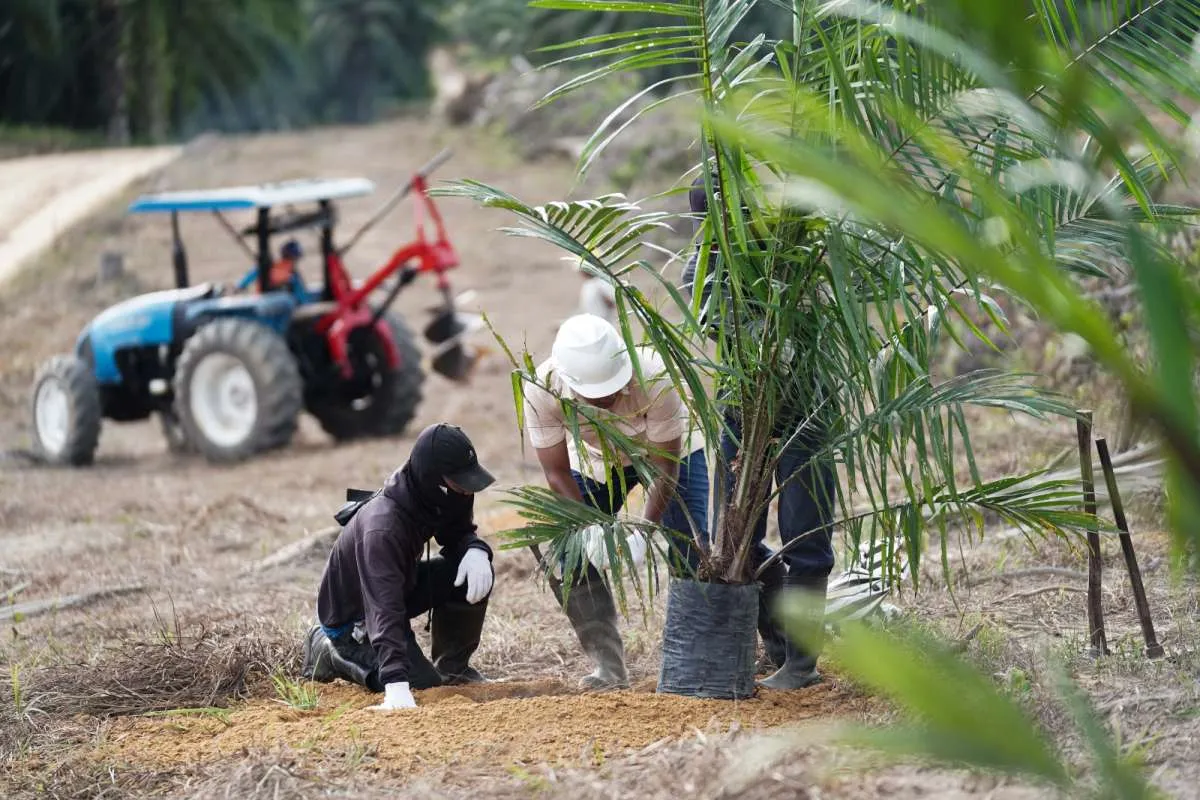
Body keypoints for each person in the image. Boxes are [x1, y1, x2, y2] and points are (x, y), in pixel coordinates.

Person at [682, 170, 837, 690]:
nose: (713, 236)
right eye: (707, 228)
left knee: (806, 539)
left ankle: (802, 665)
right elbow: (713, 320)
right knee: (737, 535)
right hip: (742, 414)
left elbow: (819, 314)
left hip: (803, 412)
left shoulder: (787, 252)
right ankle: (774, 645)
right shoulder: (700, 269)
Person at [523, 313, 708, 690]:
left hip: (670, 454)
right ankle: (608, 665)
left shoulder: (654, 376)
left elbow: (664, 469)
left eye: (610, 390)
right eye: (593, 396)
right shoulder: (544, 387)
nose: (604, 400)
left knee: (694, 548)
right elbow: (556, 472)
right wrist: (589, 529)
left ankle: (714, 655)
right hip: (597, 458)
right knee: (565, 544)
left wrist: (643, 529)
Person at [300, 423, 498, 710]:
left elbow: (457, 532)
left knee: (468, 572)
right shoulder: (382, 528)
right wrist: (395, 683)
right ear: (433, 478)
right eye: (460, 482)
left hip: (398, 585)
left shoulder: (447, 492)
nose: (467, 491)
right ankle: (327, 650)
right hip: (356, 618)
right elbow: (382, 606)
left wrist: (475, 549)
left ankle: (454, 670)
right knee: (421, 683)